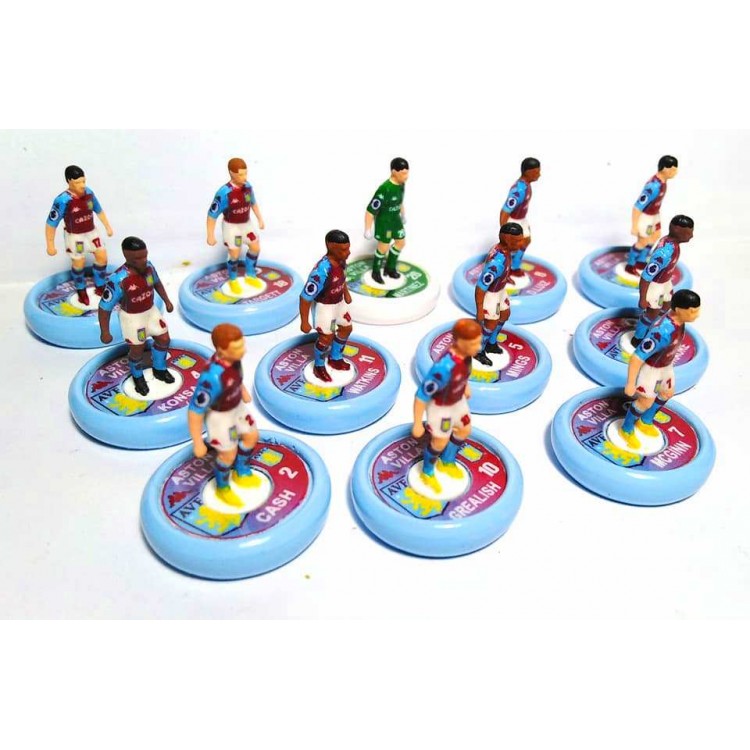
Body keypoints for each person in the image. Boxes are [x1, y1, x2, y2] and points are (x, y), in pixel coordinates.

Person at [188, 323, 260, 508]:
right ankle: (223, 487)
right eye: (237, 348)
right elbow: (195, 410)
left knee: (251, 436)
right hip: (220, 418)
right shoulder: (211, 377)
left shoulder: (235, 360)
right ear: (221, 350)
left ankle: (242, 470)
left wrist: (243, 391)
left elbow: (236, 378)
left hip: (237, 408)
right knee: (228, 454)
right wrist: (197, 442)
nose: (244, 351)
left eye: (243, 345)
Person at [619, 289, 701, 450]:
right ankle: (626, 429)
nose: (697, 315)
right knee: (645, 401)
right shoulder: (662, 332)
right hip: (651, 371)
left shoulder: (680, 323)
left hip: (665, 367)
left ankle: (645, 421)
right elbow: (637, 357)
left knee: (667, 393)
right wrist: (630, 383)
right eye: (693, 311)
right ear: (679, 310)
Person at [412, 319, 483, 494]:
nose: (479, 348)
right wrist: (417, 423)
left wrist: (465, 386)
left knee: (464, 430)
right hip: (441, 409)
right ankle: (427, 472)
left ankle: (447, 461)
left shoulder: (467, 357)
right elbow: (421, 395)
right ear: (459, 342)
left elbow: (464, 374)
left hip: (458, 402)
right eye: (473, 344)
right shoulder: (443, 368)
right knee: (440, 442)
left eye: (479, 342)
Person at [98, 236, 174, 397]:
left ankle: (159, 369)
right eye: (138, 258)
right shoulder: (118, 279)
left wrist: (167, 300)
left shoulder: (149, 268)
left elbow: (157, 283)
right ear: (127, 257)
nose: (143, 260)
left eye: (145, 256)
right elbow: (104, 307)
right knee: (137, 349)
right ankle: (138, 376)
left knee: (164, 339)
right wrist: (104, 331)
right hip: (133, 318)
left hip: (151, 312)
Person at [45, 165, 114, 305]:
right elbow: (51, 223)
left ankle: (100, 285)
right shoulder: (63, 200)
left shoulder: (89, 193)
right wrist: (50, 244)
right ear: (69, 181)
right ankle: (81, 289)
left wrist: (107, 226)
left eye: (84, 181)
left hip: (91, 232)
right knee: (79, 263)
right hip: (75, 237)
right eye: (78, 182)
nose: (82, 185)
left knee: (102, 257)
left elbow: (99, 210)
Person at [631, 215, 694, 347]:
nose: (692, 236)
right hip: (655, 286)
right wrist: (643, 298)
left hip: (665, 283)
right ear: (678, 230)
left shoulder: (673, 245)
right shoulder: (665, 253)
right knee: (652, 313)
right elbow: (646, 276)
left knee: (667, 306)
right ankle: (638, 338)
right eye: (689, 233)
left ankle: (653, 327)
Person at [299, 230, 353, 383]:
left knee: (346, 328)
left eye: (348, 248)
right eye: (344, 250)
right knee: (326, 337)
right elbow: (305, 297)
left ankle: (335, 358)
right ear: (331, 247)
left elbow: (342, 279)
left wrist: (346, 293)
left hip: (339, 303)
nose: (348, 253)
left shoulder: (342, 262)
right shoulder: (321, 271)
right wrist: (304, 321)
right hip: (325, 307)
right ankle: (319, 366)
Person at [206, 157, 266, 295]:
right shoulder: (224, 193)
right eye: (241, 174)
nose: (245, 177)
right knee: (235, 253)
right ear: (231, 173)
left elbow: (253, 203)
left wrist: (260, 218)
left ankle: (250, 275)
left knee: (255, 247)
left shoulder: (248, 187)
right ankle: (233, 279)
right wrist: (210, 235)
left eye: (246, 173)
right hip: (232, 228)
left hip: (246, 225)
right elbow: (212, 215)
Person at [474, 223, 525, 366]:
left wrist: (505, 277)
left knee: (505, 314)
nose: (520, 244)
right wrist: (480, 309)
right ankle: (478, 350)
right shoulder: (496, 263)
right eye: (517, 241)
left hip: (500, 291)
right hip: (491, 295)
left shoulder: (504, 251)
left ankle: (491, 343)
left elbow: (501, 271)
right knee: (490, 323)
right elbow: (480, 287)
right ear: (507, 239)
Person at [626, 155, 679, 275]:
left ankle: (641, 260)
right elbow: (638, 206)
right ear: (665, 168)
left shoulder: (663, 182)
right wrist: (634, 225)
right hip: (646, 217)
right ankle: (630, 264)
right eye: (673, 169)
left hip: (654, 216)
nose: (675, 172)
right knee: (643, 241)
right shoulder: (653, 186)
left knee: (655, 237)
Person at [364, 157, 409, 284]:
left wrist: (403, 215)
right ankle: (376, 271)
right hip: (384, 223)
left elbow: (400, 201)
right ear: (394, 172)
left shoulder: (401, 185)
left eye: (407, 173)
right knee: (383, 248)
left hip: (396, 220)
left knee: (401, 243)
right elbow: (370, 210)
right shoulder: (384, 189)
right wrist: (367, 229)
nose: (406, 177)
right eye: (403, 173)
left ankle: (390, 267)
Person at [499, 157, 541, 277]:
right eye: (536, 172)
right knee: (512, 246)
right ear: (528, 172)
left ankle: (514, 266)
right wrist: (504, 230)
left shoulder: (527, 185)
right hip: (513, 221)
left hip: (522, 220)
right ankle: (504, 270)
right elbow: (505, 210)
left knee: (526, 241)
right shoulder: (519, 190)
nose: (539, 175)